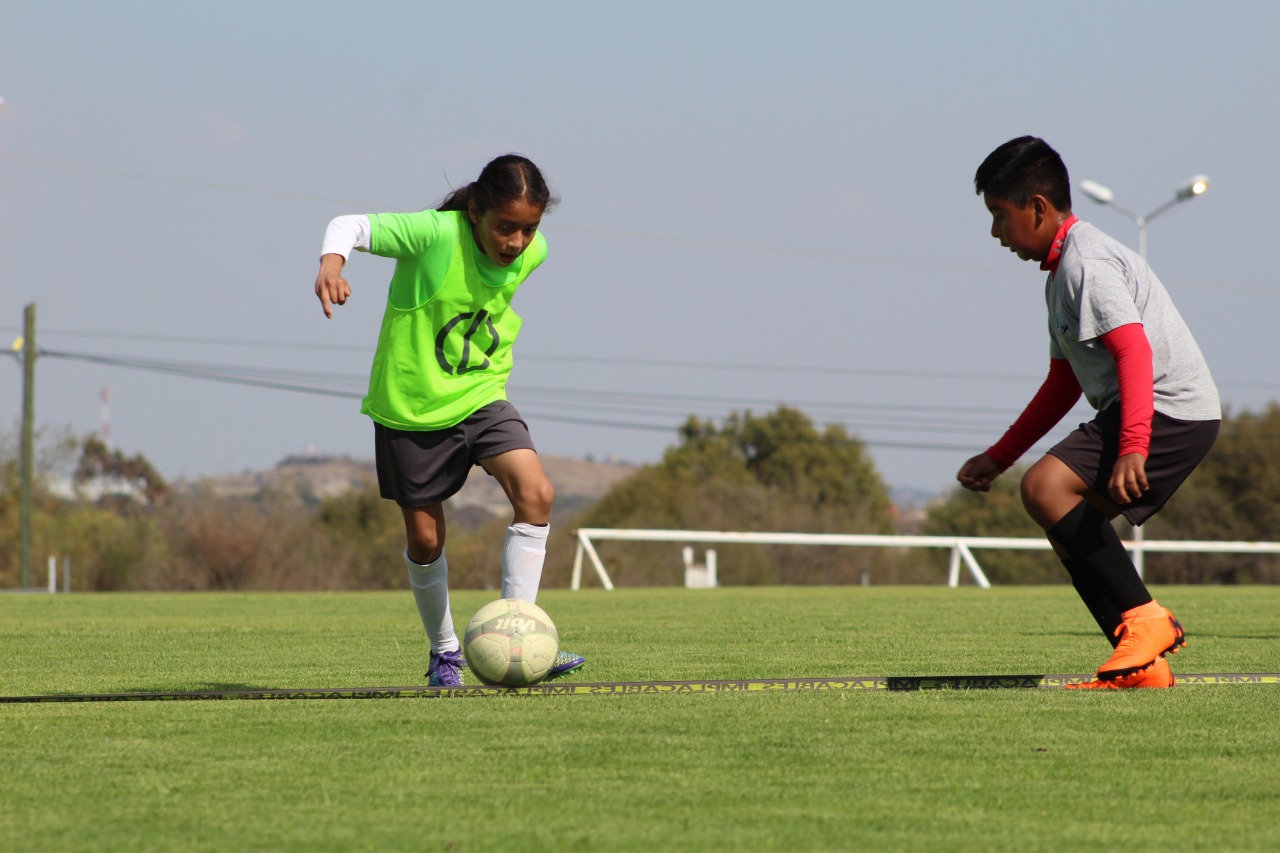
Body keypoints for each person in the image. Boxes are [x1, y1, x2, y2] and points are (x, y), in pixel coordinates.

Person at [958, 136, 1220, 690]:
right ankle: (1143, 670)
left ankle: (1147, 623)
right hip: (1159, 410)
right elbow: (1063, 382)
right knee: (1066, 523)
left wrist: (1133, 445)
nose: (994, 233)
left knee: (1046, 489)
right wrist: (999, 456)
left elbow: (1135, 351)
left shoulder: (1087, 264)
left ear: (1037, 208)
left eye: (999, 217)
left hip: (1167, 408)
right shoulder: (1060, 275)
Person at [314, 153, 585, 687]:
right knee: (426, 540)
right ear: (475, 213)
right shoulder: (435, 233)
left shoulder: (535, 253)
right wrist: (332, 264)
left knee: (537, 494)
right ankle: (444, 653)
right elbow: (349, 225)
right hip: (411, 411)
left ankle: (518, 634)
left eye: (528, 229)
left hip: (481, 398)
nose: (517, 242)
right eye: (505, 227)